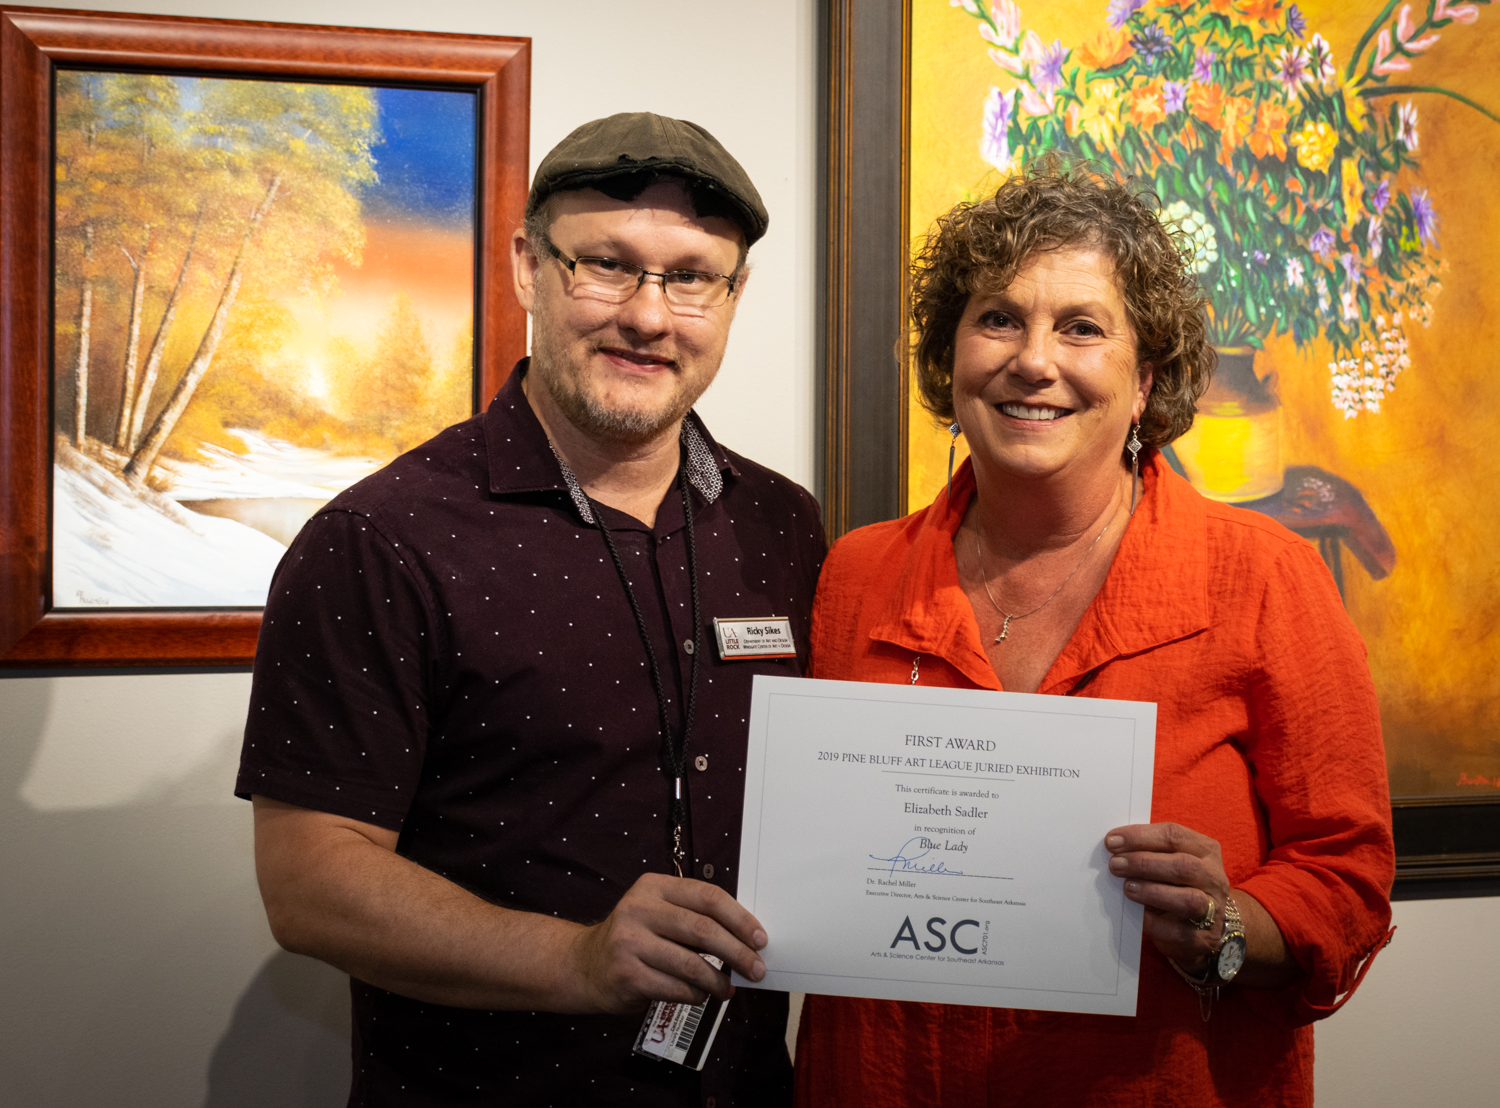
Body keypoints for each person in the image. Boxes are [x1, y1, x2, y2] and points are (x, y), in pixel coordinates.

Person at [237, 112, 826, 1107]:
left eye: (690, 278)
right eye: (607, 265)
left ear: (733, 297)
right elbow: (309, 886)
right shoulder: (381, 540)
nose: (648, 315)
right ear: (526, 266)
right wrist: (580, 962)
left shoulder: (783, 526)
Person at [793, 162, 1394, 1107]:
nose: (1034, 360)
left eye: (1082, 327)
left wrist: (1231, 922)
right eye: (998, 318)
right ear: (951, 362)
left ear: (1146, 374)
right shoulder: (856, 576)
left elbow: (1348, 880)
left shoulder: (1266, 578)